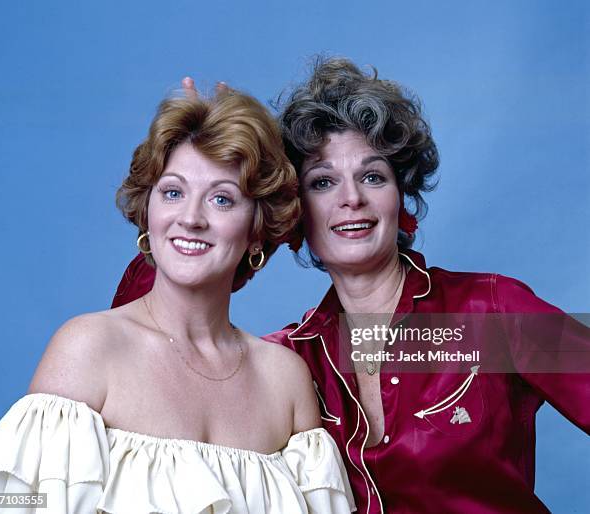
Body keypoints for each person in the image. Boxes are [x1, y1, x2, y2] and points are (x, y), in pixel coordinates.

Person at [109, 59, 590, 514]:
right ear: (294, 211)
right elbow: (144, 352)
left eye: (373, 176)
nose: (351, 199)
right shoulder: (291, 361)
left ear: (401, 199)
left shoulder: (493, 310)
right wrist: (216, 180)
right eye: (322, 183)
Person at [0, 87, 356, 513]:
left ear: (257, 228)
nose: (191, 218)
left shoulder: (284, 380)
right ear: (148, 211)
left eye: (221, 199)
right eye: (173, 192)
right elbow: (2, 499)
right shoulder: (89, 348)